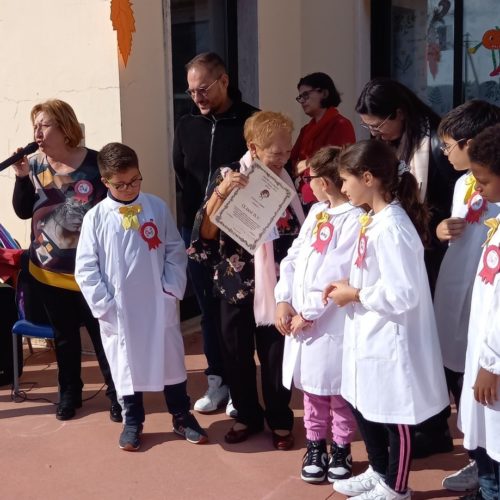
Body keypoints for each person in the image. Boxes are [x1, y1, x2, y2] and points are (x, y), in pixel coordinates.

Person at [324, 140, 449, 499]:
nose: (342, 187)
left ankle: (396, 488)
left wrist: (357, 294)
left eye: (345, 180)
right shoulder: (372, 218)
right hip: (369, 330)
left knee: (394, 414)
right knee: (366, 403)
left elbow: (404, 292)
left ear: (368, 177)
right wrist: (349, 285)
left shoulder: (392, 226)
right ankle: (379, 470)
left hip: (390, 335)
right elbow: (376, 275)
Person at [75, 142, 208, 451]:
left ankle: (181, 415)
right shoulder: (95, 218)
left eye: (135, 180)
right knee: (126, 365)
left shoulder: (156, 207)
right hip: (119, 310)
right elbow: (85, 268)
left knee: (171, 361)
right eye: (120, 184)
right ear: (105, 182)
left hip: (157, 304)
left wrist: (169, 289)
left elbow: (175, 250)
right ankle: (132, 420)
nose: (128, 188)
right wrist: (105, 305)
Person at [355, 77, 461, 458]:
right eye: (368, 127)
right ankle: (425, 428)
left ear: (399, 114)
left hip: (435, 256)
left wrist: (435, 225)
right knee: (413, 343)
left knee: (428, 344)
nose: (374, 133)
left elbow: (457, 201)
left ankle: (435, 429)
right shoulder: (391, 144)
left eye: (378, 125)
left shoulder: (433, 145)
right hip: (404, 249)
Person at [189, 111, 304, 449]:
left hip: (278, 287)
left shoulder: (292, 180)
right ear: (254, 148)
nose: (284, 158)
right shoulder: (227, 175)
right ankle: (246, 415)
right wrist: (221, 194)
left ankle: (280, 419)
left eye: (287, 151)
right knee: (235, 356)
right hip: (235, 283)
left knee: (275, 357)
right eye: (276, 152)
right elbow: (205, 235)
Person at [11, 99, 120, 422]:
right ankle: (70, 392)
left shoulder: (96, 164)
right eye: (35, 126)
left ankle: (118, 395)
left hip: (90, 272)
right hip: (47, 271)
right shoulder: (34, 166)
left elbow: (114, 209)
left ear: (63, 127)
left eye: (44, 125)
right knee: (64, 337)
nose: (37, 132)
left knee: (102, 336)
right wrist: (19, 176)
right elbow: (21, 210)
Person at [173, 52, 258, 416]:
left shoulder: (251, 121)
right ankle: (217, 380)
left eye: (203, 89)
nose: (197, 98)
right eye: (191, 92)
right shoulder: (187, 125)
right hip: (196, 233)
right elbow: (182, 178)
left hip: (237, 236)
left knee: (238, 314)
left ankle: (242, 387)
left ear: (223, 80)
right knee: (208, 311)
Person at [275, 146, 361, 483]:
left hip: (331, 323)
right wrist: (284, 299)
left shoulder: (354, 219)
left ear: (325, 181)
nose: (306, 186)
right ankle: (315, 445)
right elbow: (294, 256)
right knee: (311, 390)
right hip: (302, 322)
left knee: (336, 389)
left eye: (309, 180)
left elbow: (337, 273)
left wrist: (308, 312)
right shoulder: (316, 212)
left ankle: (341, 445)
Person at [433, 100, 500, 494]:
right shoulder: (463, 183)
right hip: (460, 287)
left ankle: (487, 464)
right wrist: (442, 229)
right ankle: (479, 457)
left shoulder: (493, 180)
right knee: (460, 373)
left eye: (448, 145)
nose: (444, 152)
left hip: (488, 301)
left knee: (484, 383)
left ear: (473, 143)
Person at [457, 124, 500, 500]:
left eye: (483, 180)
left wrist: (491, 364)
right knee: (486, 444)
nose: (479, 188)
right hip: (485, 355)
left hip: (495, 364)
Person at [291, 72, 355, 213]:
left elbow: (341, 159)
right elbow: (293, 160)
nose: (302, 101)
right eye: (300, 97)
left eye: (306, 95)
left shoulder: (341, 124)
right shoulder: (305, 129)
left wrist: (308, 163)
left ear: (324, 93)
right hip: (303, 196)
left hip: (329, 197)